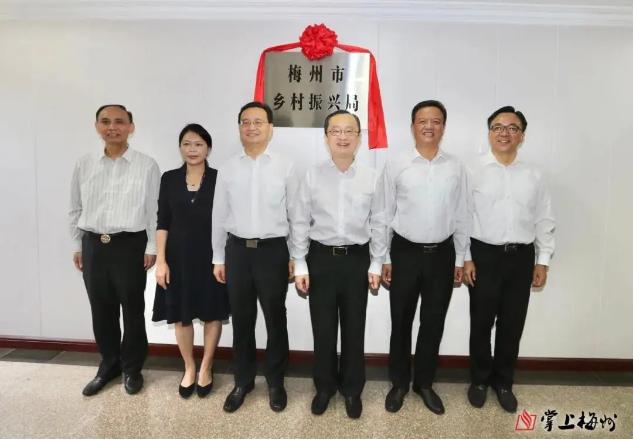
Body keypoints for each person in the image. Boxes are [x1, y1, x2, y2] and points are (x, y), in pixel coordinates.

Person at [374, 100, 469, 414]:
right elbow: (383, 213)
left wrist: (460, 258)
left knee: (433, 321)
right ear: (413, 126)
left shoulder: (455, 166)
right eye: (423, 121)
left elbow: (462, 213)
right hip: (404, 253)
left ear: (443, 127)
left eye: (436, 121)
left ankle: (424, 383)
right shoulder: (397, 163)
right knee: (400, 321)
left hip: (442, 254)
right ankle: (399, 383)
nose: (429, 126)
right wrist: (383, 257)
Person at [290, 110, 382, 419]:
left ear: (359, 137)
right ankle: (325, 387)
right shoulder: (312, 175)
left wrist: (377, 262)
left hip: (357, 260)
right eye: (336, 131)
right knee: (324, 329)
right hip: (321, 259)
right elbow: (300, 220)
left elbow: (379, 222)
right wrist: (300, 263)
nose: (342, 137)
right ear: (326, 136)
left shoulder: (371, 177)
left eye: (349, 131)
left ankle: (352, 389)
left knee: (355, 328)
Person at [463, 106, 555, 413]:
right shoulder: (472, 170)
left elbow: (544, 218)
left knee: (512, 324)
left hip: (521, 257)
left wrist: (542, 260)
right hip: (483, 255)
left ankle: (503, 383)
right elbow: (463, 216)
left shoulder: (534, 175)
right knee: (481, 322)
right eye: (498, 127)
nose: (505, 133)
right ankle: (479, 381)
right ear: (489, 132)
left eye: (512, 128)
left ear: (522, 136)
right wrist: (465, 257)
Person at [69, 104, 160, 396]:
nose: (113, 127)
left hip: (130, 245)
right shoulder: (84, 164)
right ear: (97, 126)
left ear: (131, 127)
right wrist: (77, 244)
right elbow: (75, 208)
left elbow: (154, 211)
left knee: (132, 310)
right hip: (93, 245)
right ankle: (109, 365)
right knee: (101, 310)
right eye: (106, 121)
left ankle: (132, 369)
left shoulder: (146, 165)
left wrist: (151, 246)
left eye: (119, 122)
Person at [212, 101, 296, 413]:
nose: (252, 127)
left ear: (270, 128)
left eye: (258, 122)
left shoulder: (286, 165)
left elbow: (296, 214)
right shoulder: (228, 168)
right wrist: (218, 257)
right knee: (242, 319)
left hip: (273, 251)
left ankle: (276, 381)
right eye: (246, 122)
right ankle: (243, 381)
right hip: (237, 252)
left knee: (275, 318)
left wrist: (296, 256)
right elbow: (219, 215)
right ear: (239, 129)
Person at [152, 123, 230, 399]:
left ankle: (206, 367)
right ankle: (189, 367)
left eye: (198, 144)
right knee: (181, 315)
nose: (192, 149)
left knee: (212, 312)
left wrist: (223, 259)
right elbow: (163, 221)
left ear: (208, 148)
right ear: (180, 148)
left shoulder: (221, 178)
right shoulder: (169, 178)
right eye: (187, 144)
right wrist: (161, 261)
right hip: (177, 258)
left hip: (212, 257)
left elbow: (227, 220)